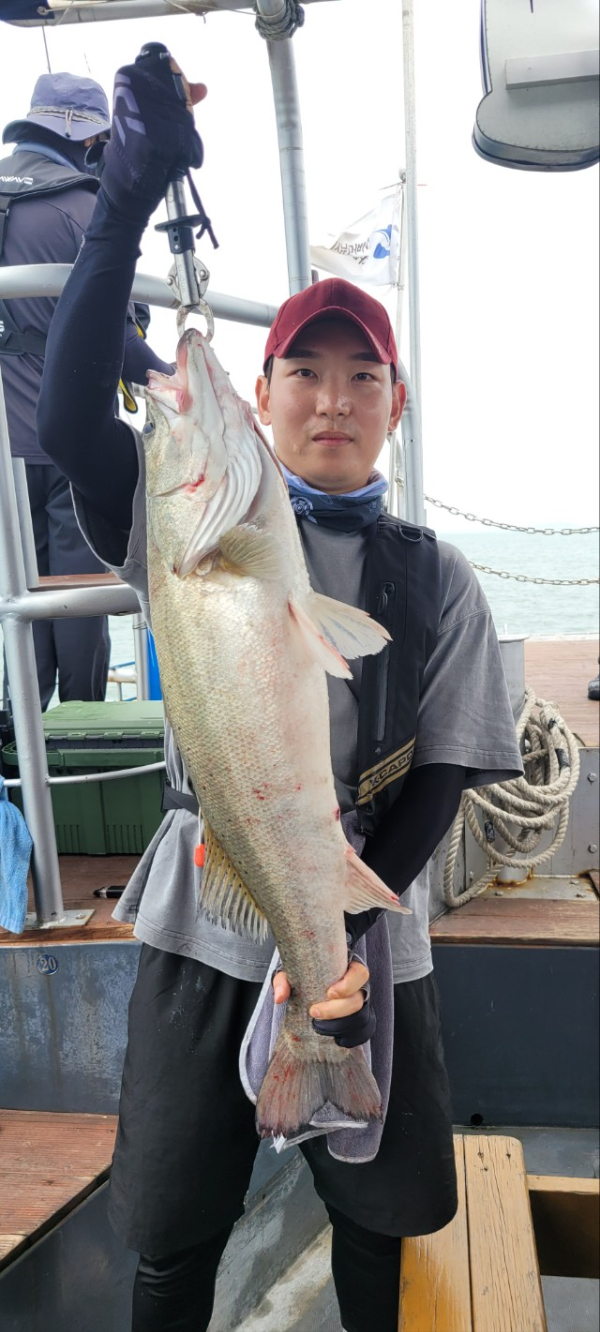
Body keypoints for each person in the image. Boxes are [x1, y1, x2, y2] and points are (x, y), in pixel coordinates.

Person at [36, 52, 524, 1332]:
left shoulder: (439, 578)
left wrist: (349, 930)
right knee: (169, 1231)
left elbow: (456, 762)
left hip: (366, 922)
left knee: (379, 1228)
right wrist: (125, 198)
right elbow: (74, 417)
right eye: (303, 374)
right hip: (205, 917)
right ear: (259, 400)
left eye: (361, 377)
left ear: (395, 406)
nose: (331, 400)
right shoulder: (188, 532)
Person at [0, 72, 173, 710]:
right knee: (78, 604)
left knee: (21, 601)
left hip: (3, 461)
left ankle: (24, 752)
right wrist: (171, 380)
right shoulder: (81, 210)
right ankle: (82, 731)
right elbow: (117, 339)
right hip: (69, 450)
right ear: (90, 138)